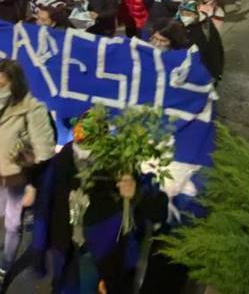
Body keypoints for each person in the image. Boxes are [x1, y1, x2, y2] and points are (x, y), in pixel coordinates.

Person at [31, 117, 167, 294]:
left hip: (106, 257)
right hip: (67, 251)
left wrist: (136, 194)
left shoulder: (120, 167)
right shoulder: (60, 164)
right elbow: (43, 209)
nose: (85, 158)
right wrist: (39, 252)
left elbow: (157, 211)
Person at [0, 59, 57, 293]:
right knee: (0, 211)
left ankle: (4, 270)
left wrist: (32, 183)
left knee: (11, 226)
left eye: (2, 84)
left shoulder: (33, 110)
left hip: (19, 181)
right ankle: (30, 214)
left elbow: (44, 151)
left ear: (15, 84)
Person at [178, 1, 224, 83]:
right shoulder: (178, 26)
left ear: (196, 14)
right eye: (182, 14)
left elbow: (216, 49)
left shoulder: (206, 27)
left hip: (205, 69)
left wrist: (216, 72)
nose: (184, 17)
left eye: (188, 14)